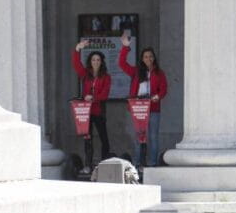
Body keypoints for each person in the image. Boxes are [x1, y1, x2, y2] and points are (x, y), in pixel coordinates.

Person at [119, 32, 168, 168]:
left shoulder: (159, 73)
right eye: (146, 57)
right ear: (142, 58)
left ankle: (152, 163)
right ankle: (138, 163)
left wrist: (157, 97)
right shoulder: (135, 71)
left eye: (151, 56)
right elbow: (122, 64)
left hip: (153, 109)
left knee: (153, 137)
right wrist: (125, 47)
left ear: (154, 58)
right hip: (138, 109)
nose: (148, 59)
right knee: (139, 137)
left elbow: (163, 89)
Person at [72, 40, 112, 173]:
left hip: (99, 111)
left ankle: (105, 164)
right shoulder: (85, 74)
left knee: (104, 138)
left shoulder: (106, 77)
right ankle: (88, 165)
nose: (96, 62)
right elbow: (76, 64)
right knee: (87, 139)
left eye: (98, 60)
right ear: (90, 61)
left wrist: (93, 98)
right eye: (93, 59)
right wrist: (77, 49)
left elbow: (105, 94)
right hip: (86, 112)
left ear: (101, 62)